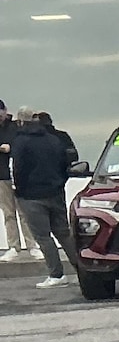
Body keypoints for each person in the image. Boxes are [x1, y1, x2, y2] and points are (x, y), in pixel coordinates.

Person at [9, 109, 76, 288]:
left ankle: (56, 274)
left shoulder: (20, 141)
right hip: (56, 192)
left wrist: (19, 190)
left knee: (43, 236)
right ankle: (84, 270)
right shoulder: (53, 139)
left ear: (21, 122)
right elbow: (65, 164)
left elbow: (17, 169)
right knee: (63, 233)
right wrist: (59, 184)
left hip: (31, 196)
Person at [0, 102, 30, 260]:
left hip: (18, 176)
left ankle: (32, 245)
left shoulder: (15, 127)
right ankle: (13, 246)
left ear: (5, 111)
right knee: (8, 213)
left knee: (24, 212)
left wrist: (10, 147)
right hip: (2, 176)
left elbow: (23, 145)